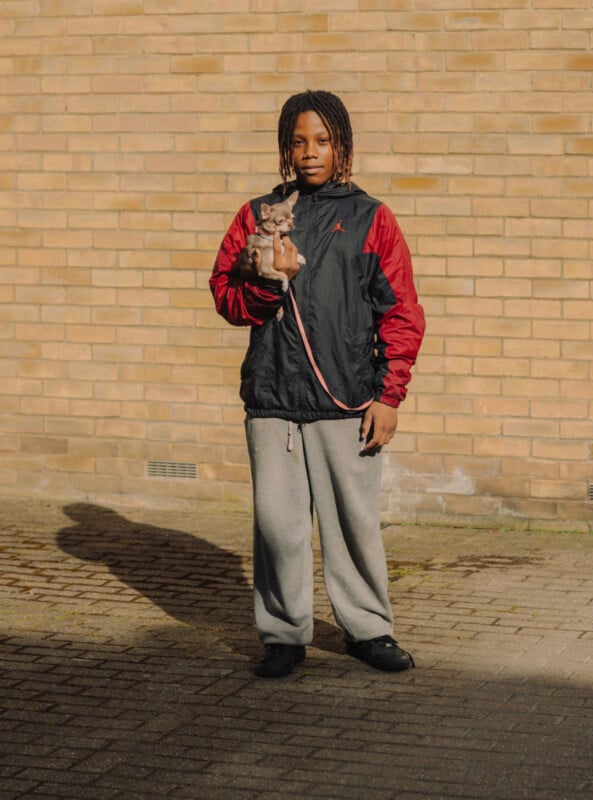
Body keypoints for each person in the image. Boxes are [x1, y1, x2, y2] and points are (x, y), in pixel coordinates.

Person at [210, 90, 425, 678]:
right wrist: (264, 282)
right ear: (286, 147)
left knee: (353, 525)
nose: (310, 153)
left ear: (342, 147)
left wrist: (389, 394)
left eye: (323, 141)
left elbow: (401, 311)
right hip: (274, 398)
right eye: (299, 141)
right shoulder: (257, 215)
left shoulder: (370, 217)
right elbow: (227, 298)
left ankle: (368, 628)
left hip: (346, 399)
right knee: (278, 528)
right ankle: (283, 634)